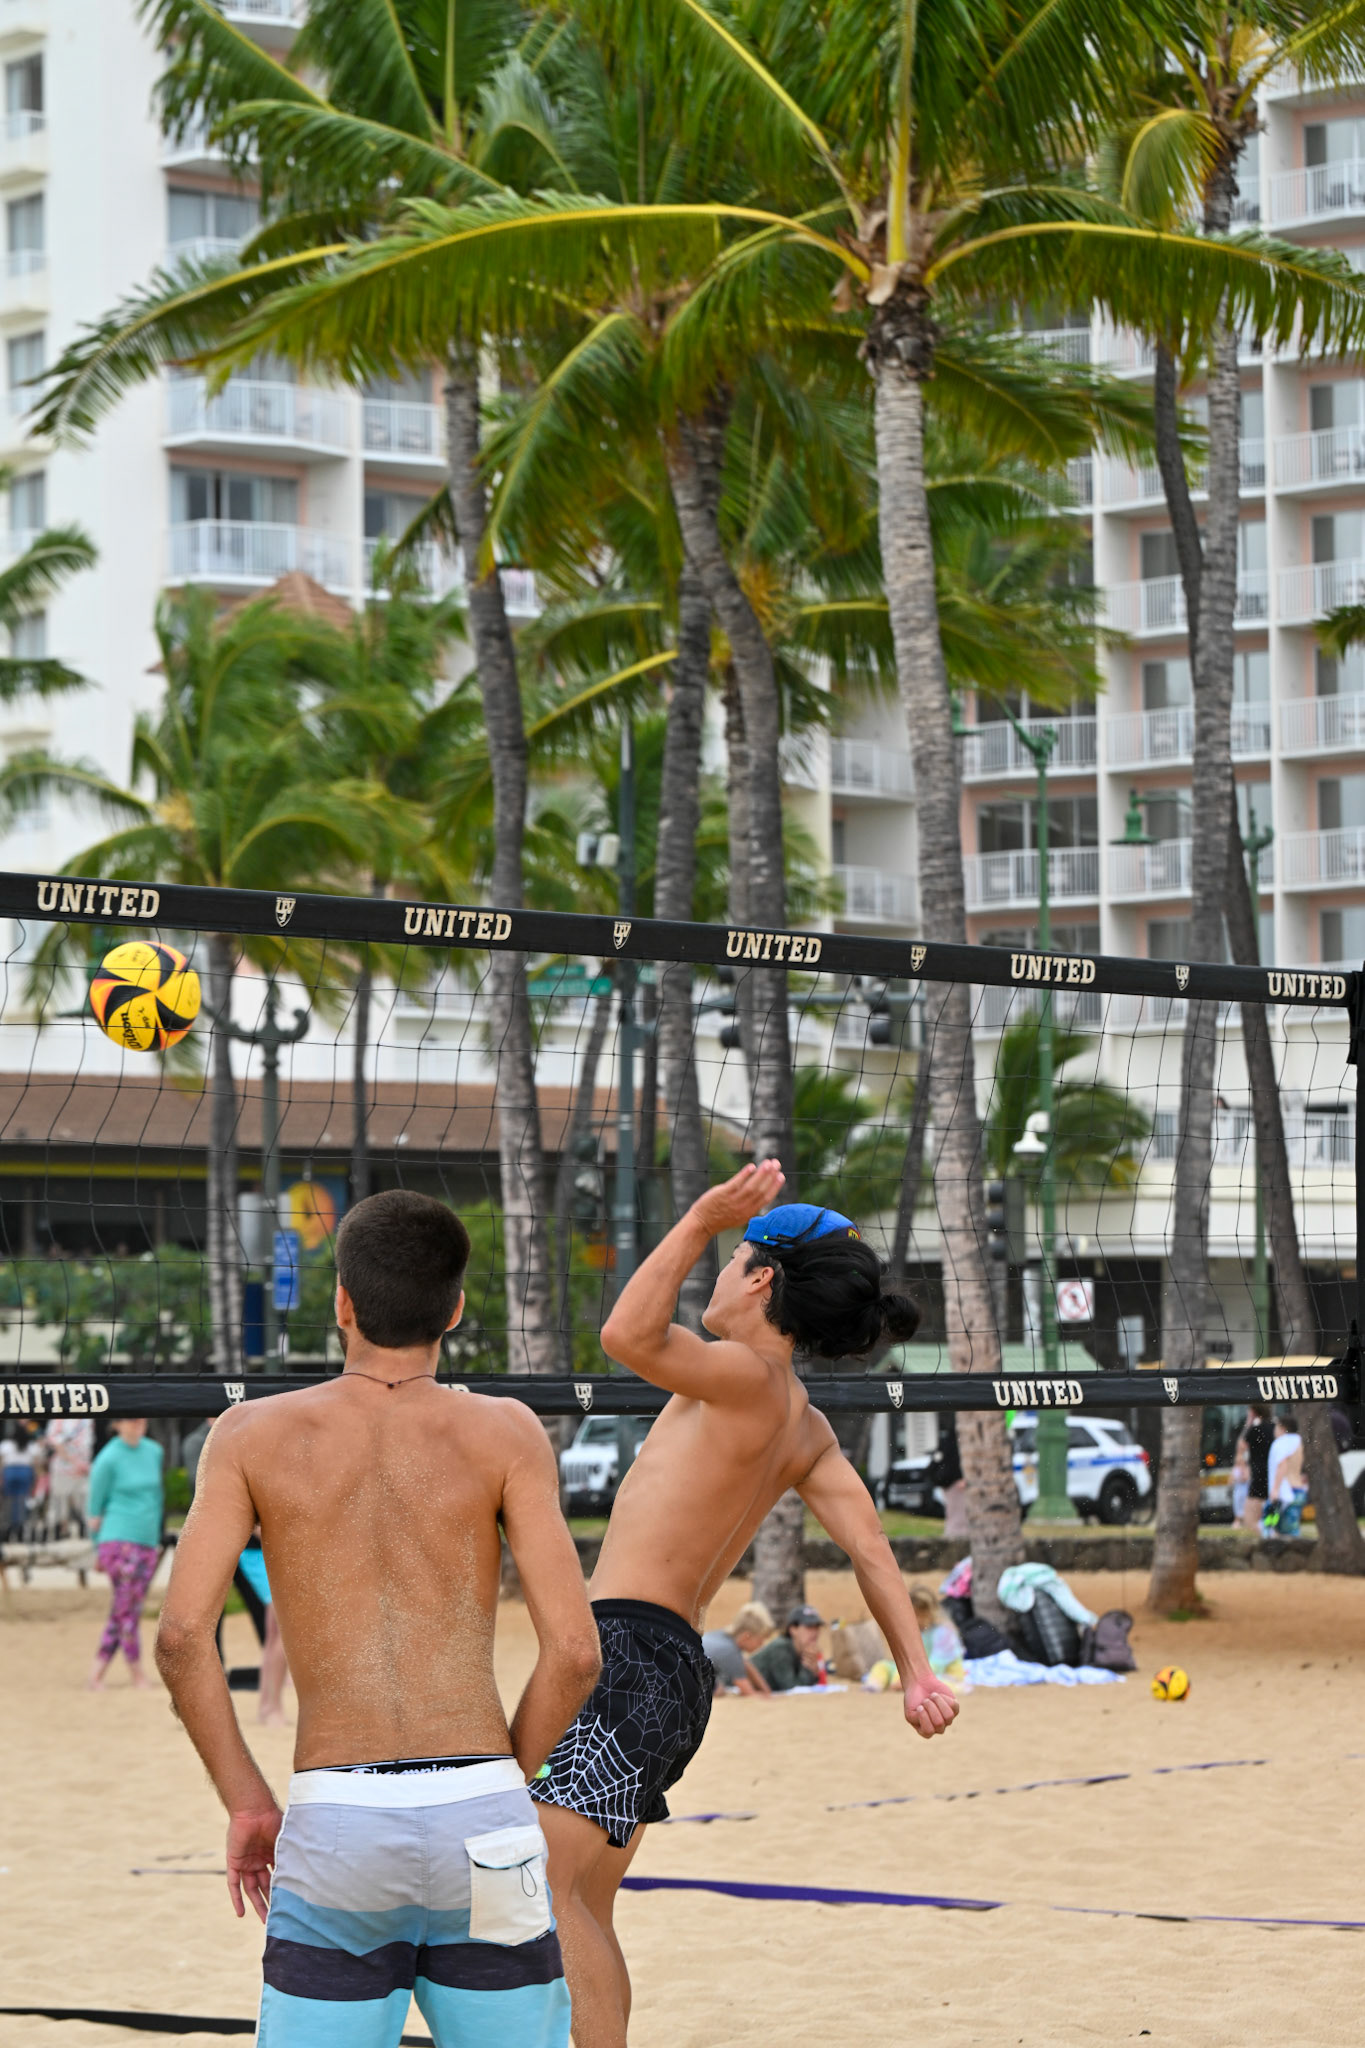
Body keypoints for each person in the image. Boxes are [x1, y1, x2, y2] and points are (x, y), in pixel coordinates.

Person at [154, 1188, 601, 2048]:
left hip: (338, 1819)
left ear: (342, 1303)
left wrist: (249, 1804)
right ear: (457, 1309)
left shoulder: (249, 1433)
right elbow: (576, 1653)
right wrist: (501, 1775)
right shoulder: (507, 1432)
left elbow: (181, 1640)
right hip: (484, 1818)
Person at [532, 1161, 959, 2048]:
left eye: (729, 1262)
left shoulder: (742, 1374)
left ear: (760, 1276)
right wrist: (914, 1674)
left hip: (629, 1661)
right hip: (670, 1670)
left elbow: (625, 1333)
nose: (715, 1276)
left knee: (542, 1890)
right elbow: (872, 1552)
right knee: (583, 1903)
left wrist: (695, 1219)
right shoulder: (801, 1421)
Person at [87, 1417, 164, 1690]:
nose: (138, 1422)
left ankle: (97, 1673)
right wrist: (96, 1547)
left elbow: (157, 1499)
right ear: (116, 1423)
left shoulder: (154, 1451)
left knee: (125, 1608)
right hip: (118, 1540)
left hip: (146, 1541)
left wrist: (155, 1539)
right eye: (130, 1418)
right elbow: (94, 1511)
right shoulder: (107, 1459)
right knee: (127, 1609)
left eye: (141, 1417)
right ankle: (136, 1673)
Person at [237, 1533, 290, 1726]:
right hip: (263, 1554)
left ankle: (267, 1706)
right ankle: (272, 1707)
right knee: (284, 1633)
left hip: (267, 1553)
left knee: (275, 1634)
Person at [700, 1600, 774, 1696]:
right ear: (746, 1636)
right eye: (760, 1641)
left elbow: (746, 1664)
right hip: (690, 1677)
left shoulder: (721, 1636)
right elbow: (748, 1692)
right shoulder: (729, 1651)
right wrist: (767, 1694)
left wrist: (766, 1691)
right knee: (718, 1689)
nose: (761, 1645)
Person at [750, 1604, 829, 1691]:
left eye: (817, 1627)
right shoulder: (780, 1648)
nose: (815, 1632)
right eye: (809, 1626)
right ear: (793, 1629)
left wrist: (814, 1671)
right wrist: (808, 1670)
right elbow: (792, 1688)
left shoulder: (803, 1650)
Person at [44, 1415, 93, 1538]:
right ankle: (58, 1532)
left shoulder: (87, 1418)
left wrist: (85, 1465)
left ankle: (86, 1533)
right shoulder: (58, 1419)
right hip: (63, 1469)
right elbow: (55, 1441)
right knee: (59, 1504)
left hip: (83, 1470)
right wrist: (76, 1462)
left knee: (85, 1504)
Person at [909, 1585, 969, 1687]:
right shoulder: (920, 1631)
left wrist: (912, 1680)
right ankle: (875, 1686)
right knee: (884, 1667)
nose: (913, 1619)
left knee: (935, 1684)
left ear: (928, 1612)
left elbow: (936, 1665)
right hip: (924, 1674)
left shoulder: (944, 1632)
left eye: (917, 1615)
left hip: (949, 1676)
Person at [1264, 1414, 1307, 1537]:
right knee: (1291, 1529)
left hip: (1286, 1492)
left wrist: (1275, 1489)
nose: (1274, 1431)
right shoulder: (1299, 1441)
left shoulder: (1282, 1443)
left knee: (1274, 1529)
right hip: (1299, 1490)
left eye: (1276, 1427)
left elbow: (1282, 1466)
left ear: (1282, 1428)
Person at [1241, 1402, 1274, 1531]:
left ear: (1254, 1412)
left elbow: (1241, 1446)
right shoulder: (1275, 1427)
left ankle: (1267, 1536)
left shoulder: (1254, 1430)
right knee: (1269, 1516)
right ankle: (1269, 1531)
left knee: (1250, 1518)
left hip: (1258, 1474)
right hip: (1272, 1475)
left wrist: (1249, 1423)